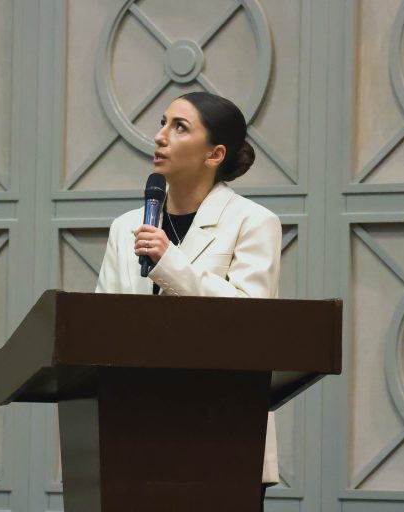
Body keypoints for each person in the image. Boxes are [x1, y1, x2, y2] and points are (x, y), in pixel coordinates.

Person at [95, 91, 281, 510]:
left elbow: (251, 320)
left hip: (224, 435)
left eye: (179, 127)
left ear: (215, 154)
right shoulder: (126, 227)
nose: (160, 136)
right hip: (133, 436)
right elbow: (101, 325)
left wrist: (169, 263)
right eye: (162, 123)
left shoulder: (253, 222)